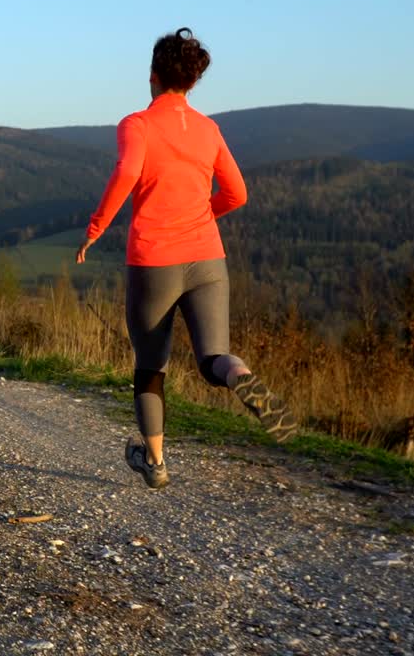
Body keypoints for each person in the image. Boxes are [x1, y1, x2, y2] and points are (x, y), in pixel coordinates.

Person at [76, 27, 297, 489]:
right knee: (213, 356)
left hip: (155, 261)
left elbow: (127, 173)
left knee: (151, 364)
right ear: (192, 82)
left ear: (153, 75)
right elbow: (237, 193)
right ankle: (241, 376)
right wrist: (202, 216)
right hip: (207, 259)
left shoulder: (136, 124)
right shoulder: (208, 129)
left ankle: (155, 464)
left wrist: (96, 228)